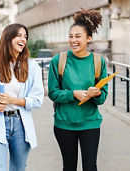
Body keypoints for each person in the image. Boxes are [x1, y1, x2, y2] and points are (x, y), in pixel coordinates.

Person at [0, 23, 44, 171]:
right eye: (19, 35)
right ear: (8, 38)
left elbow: (37, 100)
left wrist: (12, 101)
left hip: (20, 125)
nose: (23, 39)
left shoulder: (32, 66)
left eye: (25, 37)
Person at [48, 9, 108, 171]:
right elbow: (53, 93)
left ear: (88, 38)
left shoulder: (98, 62)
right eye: (70, 36)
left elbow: (102, 99)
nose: (73, 40)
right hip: (64, 124)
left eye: (78, 36)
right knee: (69, 167)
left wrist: (97, 94)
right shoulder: (58, 60)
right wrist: (73, 93)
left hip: (90, 123)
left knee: (90, 167)